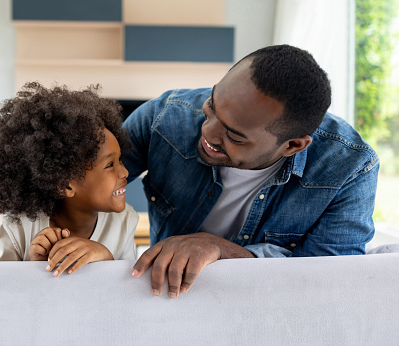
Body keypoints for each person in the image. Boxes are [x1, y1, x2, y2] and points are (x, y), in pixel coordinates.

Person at [122, 44, 379, 298]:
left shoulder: (350, 169)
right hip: (167, 294)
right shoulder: (163, 117)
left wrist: (220, 249)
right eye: (211, 106)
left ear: (292, 146)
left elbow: (325, 280)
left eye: (234, 136)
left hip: (263, 307)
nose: (207, 132)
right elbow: (86, 183)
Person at [0, 82, 138, 276]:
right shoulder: (19, 228)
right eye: (110, 165)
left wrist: (107, 259)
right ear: (65, 184)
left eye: (120, 160)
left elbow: (125, 294)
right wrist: (35, 266)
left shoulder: (124, 221)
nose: (124, 172)